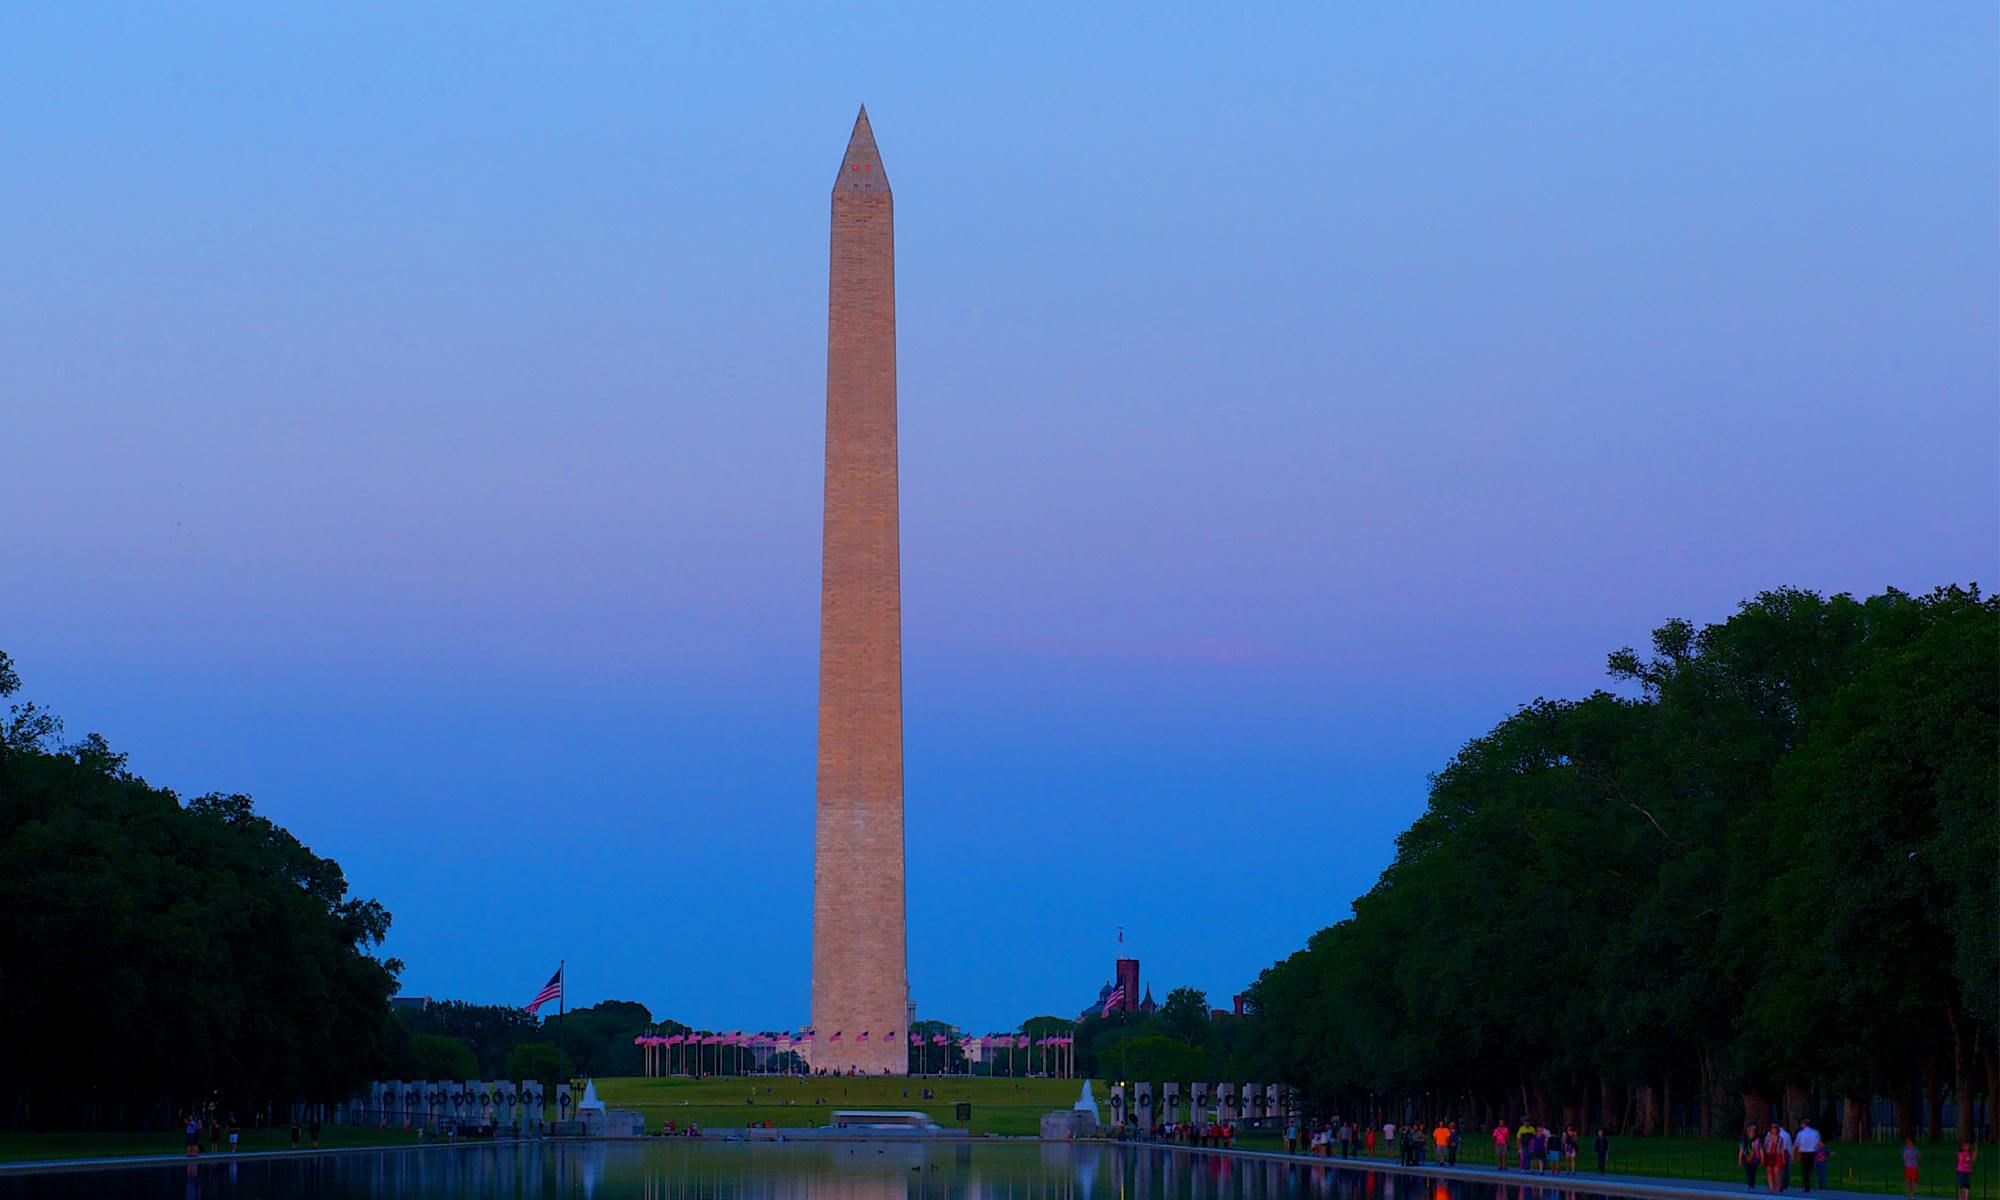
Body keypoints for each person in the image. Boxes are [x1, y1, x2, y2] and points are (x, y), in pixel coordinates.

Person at [1794, 1120, 1822, 1194]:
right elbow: (1819, 1143)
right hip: (1813, 1152)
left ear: (1804, 1124)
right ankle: (1817, 1184)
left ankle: (1807, 1186)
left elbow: (1797, 1144)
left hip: (1804, 1153)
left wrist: (1795, 1155)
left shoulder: (1800, 1133)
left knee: (1805, 1170)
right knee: (1813, 1169)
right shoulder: (1815, 1132)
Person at [1763, 1124, 1787, 1194]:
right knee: (1769, 1172)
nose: (1773, 1130)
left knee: (1776, 1172)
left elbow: (1781, 1148)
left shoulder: (1780, 1138)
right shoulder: (1767, 1138)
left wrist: (1783, 1158)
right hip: (1769, 1155)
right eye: (1772, 1128)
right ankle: (1771, 1187)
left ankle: (1777, 1184)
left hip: (1777, 1156)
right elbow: (1764, 1147)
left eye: (1775, 1129)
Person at [1741, 1126, 1762, 1191]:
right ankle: (1749, 1184)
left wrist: (1762, 1158)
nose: (1751, 1133)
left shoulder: (1757, 1140)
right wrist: (1740, 1160)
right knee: (1748, 1171)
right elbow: (1741, 1150)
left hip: (1755, 1159)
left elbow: (1761, 1150)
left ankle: (1752, 1186)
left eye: (1753, 1132)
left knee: (1753, 1172)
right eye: (1750, 1132)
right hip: (1746, 1158)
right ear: (1747, 1133)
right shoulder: (1744, 1140)